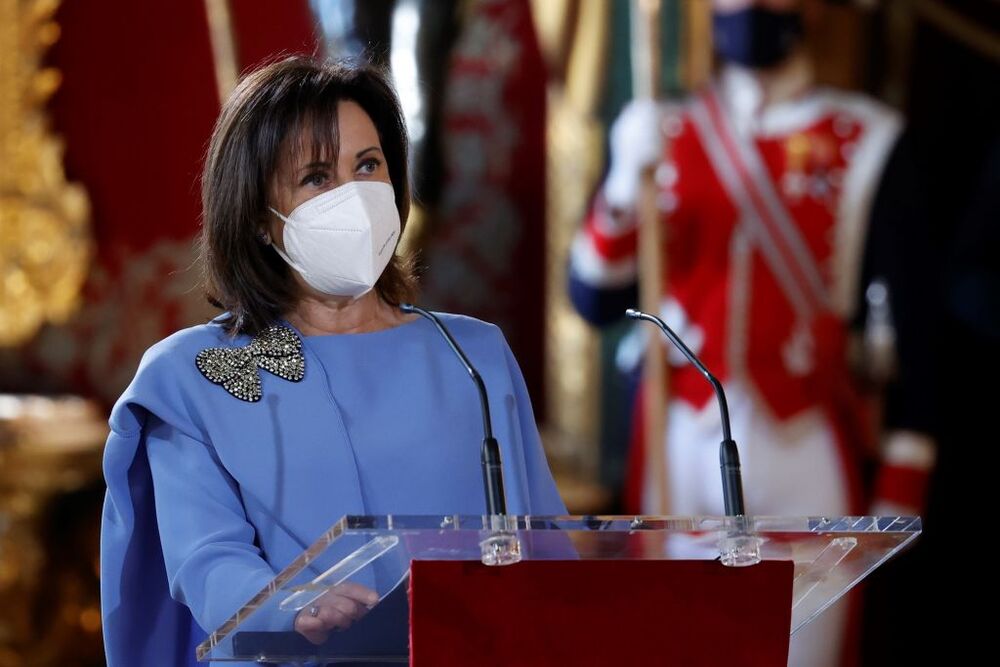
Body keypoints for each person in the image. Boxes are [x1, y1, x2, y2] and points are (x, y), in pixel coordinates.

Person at [100, 56, 566, 667]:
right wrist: (292, 604)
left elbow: (546, 548)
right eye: (317, 177)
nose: (354, 196)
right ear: (261, 219)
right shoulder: (188, 376)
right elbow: (205, 560)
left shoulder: (474, 355)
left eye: (367, 166)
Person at [568, 1, 936, 665]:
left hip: (806, 444)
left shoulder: (870, 139)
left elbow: (917, 333)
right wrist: (622, 183)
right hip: (679, 440)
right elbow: (592, 296)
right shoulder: (665, 129)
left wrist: (902, 486)